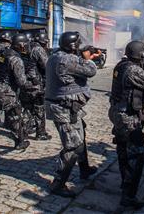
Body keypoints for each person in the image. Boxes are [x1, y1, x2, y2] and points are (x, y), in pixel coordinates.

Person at [45, 31, 100, 197]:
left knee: (80, 136)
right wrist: (88, 58)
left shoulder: (56, 55)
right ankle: (58, 184)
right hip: (64, 108)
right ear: (73, 46)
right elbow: (90, 71)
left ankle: (84, 169)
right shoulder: (67, 59)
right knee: (73, 145)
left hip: (68, 107)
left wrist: (81, 55)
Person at [108, 40, 144, 209]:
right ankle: (129, 196)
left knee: (122, 148)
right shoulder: (133, 69)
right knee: (138, 155)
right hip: (128, 116)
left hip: (117, 112)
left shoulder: (121, 65)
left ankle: (125, 183)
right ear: (141, 54)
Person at [0, 32, 30, 156]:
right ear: (20, 45)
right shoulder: (16, 58)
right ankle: (19, 141)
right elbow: (21, 81)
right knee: (15, 116)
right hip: (7, 90)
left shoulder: (0, 52)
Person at [19, 31, 51, 141]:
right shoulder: (38, 49)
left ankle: (22, 132)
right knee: (39, 108)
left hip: (24, 82)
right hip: (36, 83)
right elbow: (46, 66)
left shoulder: (24, 46)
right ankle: (40, 133)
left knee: (27, 108)